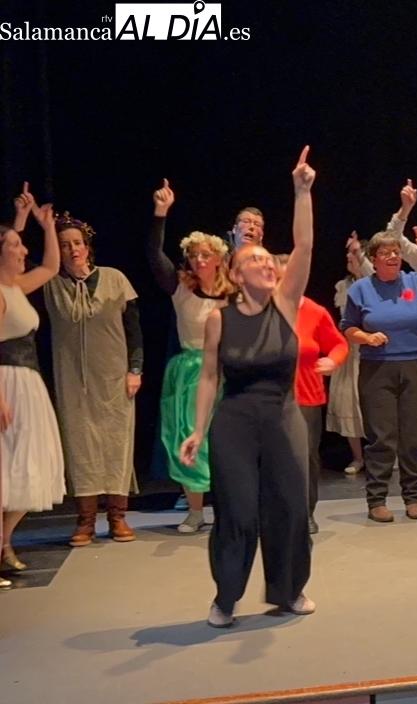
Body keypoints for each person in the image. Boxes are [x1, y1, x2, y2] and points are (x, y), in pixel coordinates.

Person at [179, 146, 317, 627]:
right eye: (255, 260)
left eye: (268, 259)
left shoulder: (287, 305)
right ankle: (226, 598)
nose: (266, 264)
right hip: (234, 423)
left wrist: (302, 191)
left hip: (283, 417)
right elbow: (210, 377)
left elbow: (304, 246)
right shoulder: (219, 319)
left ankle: (289, 590)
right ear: (236, 274)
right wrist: (197, 430)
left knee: (291, 509)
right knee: (237, 514)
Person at [341, 201, 417, 523]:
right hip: (377, 368)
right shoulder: (361, 289)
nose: (393, 256)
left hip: (414, 365)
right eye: (385, 253)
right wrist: (366, 337)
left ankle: (412, 497)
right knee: (382, 437)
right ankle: (377, 499)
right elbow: (347, 327)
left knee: (415, 435)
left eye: (396, 252)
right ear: (374, 259)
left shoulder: (413, 282)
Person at [45, 211, 144, 547]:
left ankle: (117, 516)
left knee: (117, 442)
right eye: (64, 245)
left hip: (114, 378)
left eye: (77, 243)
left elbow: (134, 331)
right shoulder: (51, 284)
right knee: (80, 444)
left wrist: (135, 369)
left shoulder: (115, 279)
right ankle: (86, 519)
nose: (72, 249)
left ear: (87, 246)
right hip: (73, 380)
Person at [147, 180, 236, 534]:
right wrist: (161, 213)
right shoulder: (180, 287)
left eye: (205, 255)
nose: (199, 260)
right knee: (186, 435)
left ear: (219, 259)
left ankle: (229, 508)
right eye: (194, 255)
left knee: (225, 439)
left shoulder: (233, 292)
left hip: (224, 370)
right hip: (188, 371)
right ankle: (196, 511)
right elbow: (154, 254)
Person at [1, 187, 65, 575]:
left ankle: (4, 542)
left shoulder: (16, 287)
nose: (23, 251)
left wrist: (46, 226)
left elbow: (52, 267)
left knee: (26, 468)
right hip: (6, 384)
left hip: (27, 384)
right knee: (6, 470)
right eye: (16, 246)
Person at [273, 254, 348, 535]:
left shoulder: (315, 311)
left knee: (304, 457)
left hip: (305, 396)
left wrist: (332, 361)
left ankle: (305, 512)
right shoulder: (261, 310)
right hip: (268, 396)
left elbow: (339, 344)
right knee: (270, 457)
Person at [326, 234, 367, 476]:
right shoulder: (343, 286)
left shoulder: (376, 283)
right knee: (348, 400)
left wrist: (361, 271)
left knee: (374, 404)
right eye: (349, 254)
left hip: (372, 348)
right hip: (351, 350)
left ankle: (386, 454)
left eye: (356, 253)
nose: (350, 258)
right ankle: (358, 457)